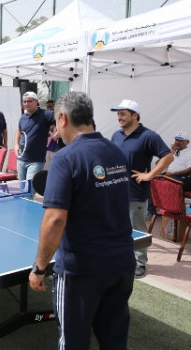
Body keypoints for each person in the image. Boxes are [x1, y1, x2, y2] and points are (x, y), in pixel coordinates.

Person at [29, 91, 135, 349]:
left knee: (74, 342)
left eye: (55, 123)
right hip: (122, 264)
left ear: (63, 118)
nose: (55, 130)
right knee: (114, 338)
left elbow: (54, 220)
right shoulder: (116, 152)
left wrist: (39, 267)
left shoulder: (65, 158)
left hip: (82, 270)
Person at [110, 99, 173, 278]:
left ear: (134, 115)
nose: (119, 118)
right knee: (118, 227)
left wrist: (149, 175)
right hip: (116, 191)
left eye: (123, 114)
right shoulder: (117, 135)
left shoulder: (148, 136)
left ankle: (140, 263)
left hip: (135, 193)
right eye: (118, 114)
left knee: (136, 229)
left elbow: (167, 157)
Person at [15, 92, 55, 184]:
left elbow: (62, 121)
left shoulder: (46, 114)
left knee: (29, 191)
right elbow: (19, 130)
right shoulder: (23, 118)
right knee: (22, 190)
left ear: (36, 102)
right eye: (24, 102)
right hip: (21, 160)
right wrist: (16, 145)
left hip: (36, 161)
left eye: (29, 101)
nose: (26, 104)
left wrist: (56, 135)